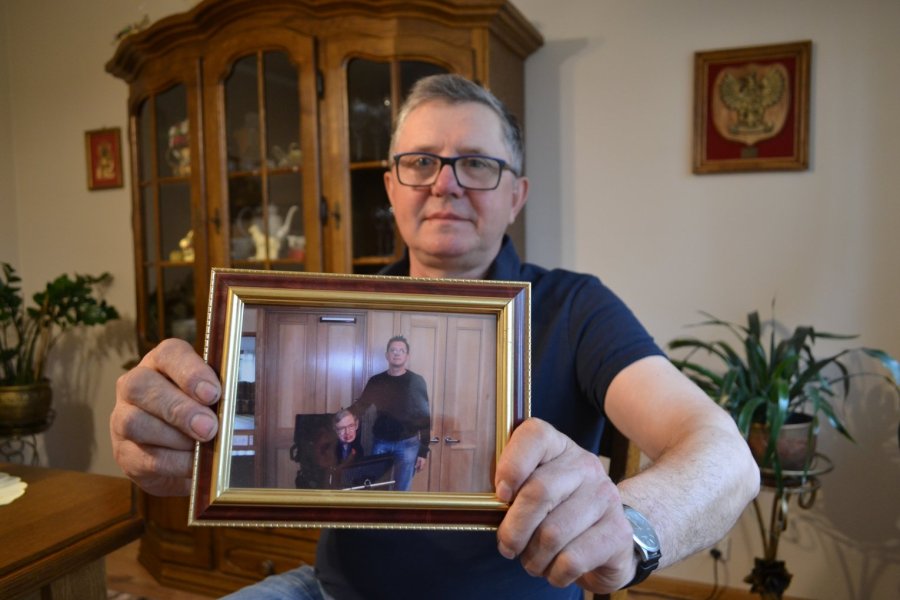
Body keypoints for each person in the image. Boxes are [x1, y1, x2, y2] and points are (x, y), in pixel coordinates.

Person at [111, 73, 759, 598]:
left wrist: (631, 525)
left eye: (475, 163)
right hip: (331, 592)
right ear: (392, 187)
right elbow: (307, 430)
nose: (445, 184)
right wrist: (186, 443)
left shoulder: (576, 306)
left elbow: (724, 457)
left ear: (517, 195)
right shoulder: (337, 305)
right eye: (421, 162)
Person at [348, 335, 430, 491]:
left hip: (408, 444)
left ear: (407, 356)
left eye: (401, 350)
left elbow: (424, 417)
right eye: (393, 350)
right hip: (381, 442)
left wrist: (423, 451)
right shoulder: (376, 381)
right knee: (377, 489)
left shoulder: (416, 381)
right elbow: (361, 405)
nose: (397, 353)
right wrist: (345, 416)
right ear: (387, 355)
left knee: (402, 490)